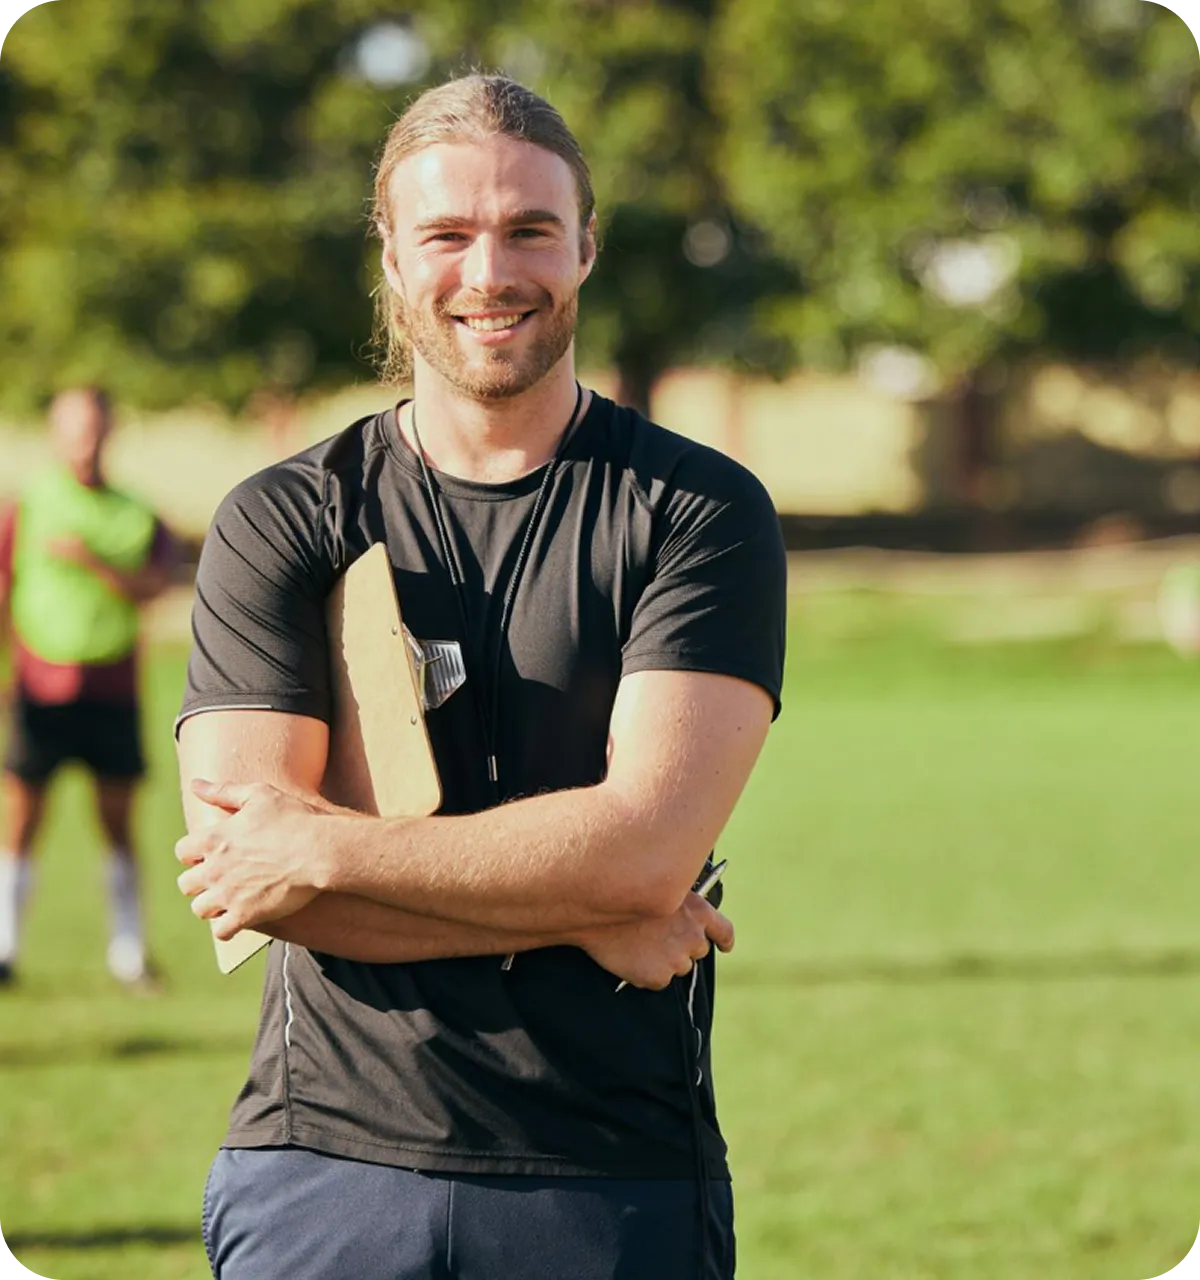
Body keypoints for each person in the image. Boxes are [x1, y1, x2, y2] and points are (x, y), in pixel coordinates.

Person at [175, 73, 787, 1280]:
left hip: (613, 1176)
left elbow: (646, 852)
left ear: (587, 247)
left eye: (529, 230)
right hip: (325, 1173)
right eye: (447, 234)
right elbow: (252, 885)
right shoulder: (282, 518)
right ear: (393, 258)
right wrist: (588, 902)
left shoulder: (698, 511)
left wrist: (332, 845)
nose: (489, 271)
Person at [0, 386, 176, 988]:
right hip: (39, 686)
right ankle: (6, 948)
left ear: (110, 431)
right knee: (20, 819)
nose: (85, 441)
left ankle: (128, 953)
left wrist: (93, 564)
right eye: (74, 429)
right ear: (56, 432)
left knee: (119, 824)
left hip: (111, 685)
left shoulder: (136, 512)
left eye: (95, 428)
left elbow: (158, 584)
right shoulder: (27, 506)